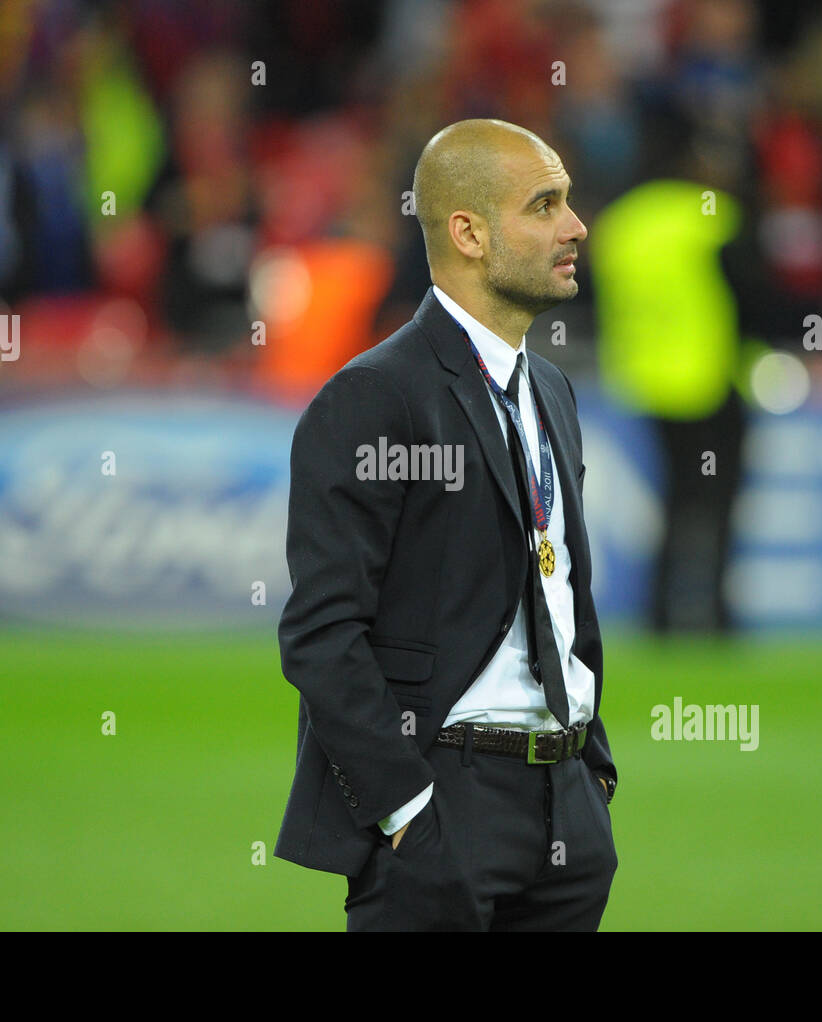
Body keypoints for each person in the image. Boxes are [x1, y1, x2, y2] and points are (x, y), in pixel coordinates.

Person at [275, 119, 617, 931]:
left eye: (567, 202)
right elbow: (321, 633)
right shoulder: (374, 397)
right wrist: (407, 810)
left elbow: (563, 590)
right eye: (545, 205)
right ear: (468, 232)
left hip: (565, 809)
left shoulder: (553, 393)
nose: (576, 226)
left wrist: (590, 772)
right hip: (444, 808)